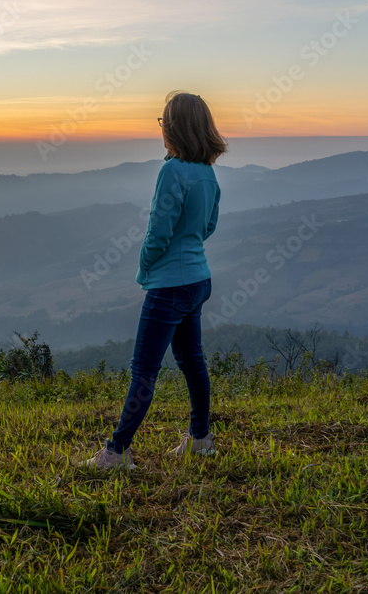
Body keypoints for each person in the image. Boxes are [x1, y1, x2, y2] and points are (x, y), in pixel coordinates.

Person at [81, 91, 226, 471]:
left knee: (144, 370)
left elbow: (157, 233)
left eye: (163, 122)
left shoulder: (172, 171)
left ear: (174, 128)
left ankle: (116, 452)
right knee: (193, 361)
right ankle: (201, 439)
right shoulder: (208, 174)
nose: (161, 129)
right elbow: (208, 226)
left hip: (168, 285)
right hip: (198, 280)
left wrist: (145, 265)